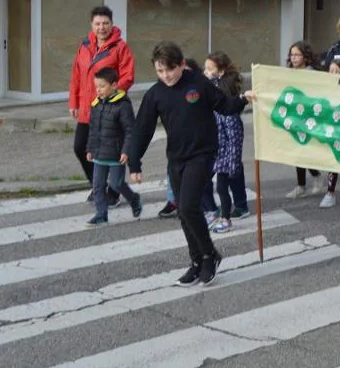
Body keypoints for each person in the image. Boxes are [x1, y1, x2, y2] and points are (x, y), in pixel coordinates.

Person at [128, 41, 250, 286]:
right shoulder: (155, 94)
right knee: (184, 213)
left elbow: (224, 105)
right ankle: (196, 262)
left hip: (202, 154)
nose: (166, 76)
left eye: (170, 70)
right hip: (176, 158)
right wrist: (134, 162)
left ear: (182, 65)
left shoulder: (198, 83)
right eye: (160, 71)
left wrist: (244, 99)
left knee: (188, 205)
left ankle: (210, 255)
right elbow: (142, 129)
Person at [68, 6, 135, 208]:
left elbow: (128, 76)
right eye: (97, 23)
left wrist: (111, 95)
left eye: (105, 23)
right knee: (81, 147)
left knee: (111, 151)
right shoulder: (84, 45)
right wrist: (74, 102)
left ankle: (113, 193)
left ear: (111, 24)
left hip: (111, 109)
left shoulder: (120, 47)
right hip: (87, 109)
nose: (101, 27)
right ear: (91, 24)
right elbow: (76, 76)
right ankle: (98, 186)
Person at [83, 67, 142, 225]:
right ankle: (101, 215)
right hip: (99, 153)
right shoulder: (96, 105)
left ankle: (134, 198)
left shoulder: (123, 105)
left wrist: (126, 151)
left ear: (114, 85)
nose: (99, 90)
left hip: (116, 153)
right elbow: (93, 130)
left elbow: (130, 131)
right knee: (97, 186)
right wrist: (90, 149)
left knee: (116, 184)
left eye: (102, 86)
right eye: (97, 87)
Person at [203, 52, 247, 232]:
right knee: (206, 182)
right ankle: (214, 212)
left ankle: (226, 219)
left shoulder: (228, 109)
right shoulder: (211, 87)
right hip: (213, 150)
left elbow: (235, 137)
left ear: (220, 71)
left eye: (209, 69)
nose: (205, 72)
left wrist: (233, 161)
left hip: (225, 155)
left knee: (221, 187)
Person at [284, 41, 327, 201]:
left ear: (305, 56)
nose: (293, 58)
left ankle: (321, 178)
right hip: (296, 117)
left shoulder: (312, 73)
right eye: (292, 55)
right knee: (298, 151)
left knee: (311, 150)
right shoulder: (291, 72)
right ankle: (301, 185)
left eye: (297, 55)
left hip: (311, 117)